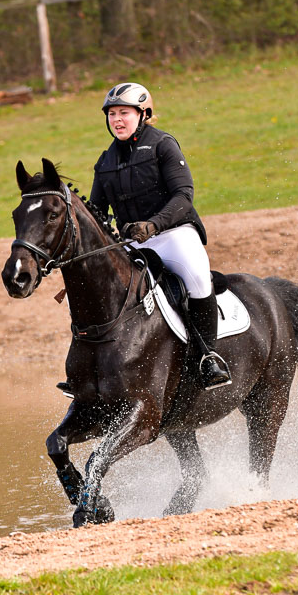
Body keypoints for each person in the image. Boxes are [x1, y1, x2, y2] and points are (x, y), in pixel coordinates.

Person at [58, 81, 231, 392]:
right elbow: (97, 213)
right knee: (93, 291)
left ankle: (208, 357)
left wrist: (154, 224)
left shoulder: (163, 145)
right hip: (133, 244)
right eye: (112, 115)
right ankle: (85, 368)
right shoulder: (105, 162)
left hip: (174, 235)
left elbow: (184, 194)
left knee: (198, 278)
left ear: (144, 113)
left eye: (124, 113)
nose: (117, 120)